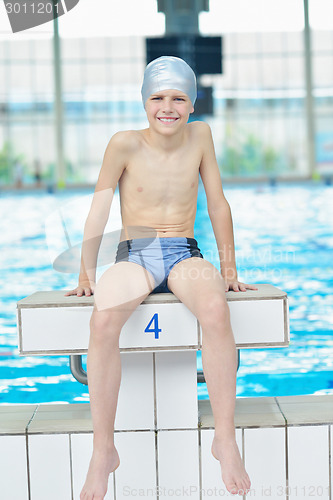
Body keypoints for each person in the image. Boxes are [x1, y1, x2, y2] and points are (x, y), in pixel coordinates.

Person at [65, 56, 257, 499]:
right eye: (157, 97)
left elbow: (218, 203)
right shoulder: (124, 143)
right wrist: (85, 271)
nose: (167, 107)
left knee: (214, 308)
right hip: (137, 253)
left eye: (178, 98)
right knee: (102, 320)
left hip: (184, 251)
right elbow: (99, 206)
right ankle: (103, 450)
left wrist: (229, 269)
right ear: (144, 102)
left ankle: (224, 438)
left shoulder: (201, 136)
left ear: (192, 104)